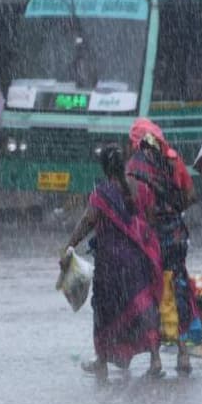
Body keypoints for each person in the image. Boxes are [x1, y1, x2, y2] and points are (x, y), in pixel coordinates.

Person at [62, 144, 163, 379]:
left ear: (105, 168)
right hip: (137, 260)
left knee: (105, 312)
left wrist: (69, 245)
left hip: (110, 265)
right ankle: (156, 359)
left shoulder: (101, 194)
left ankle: (103, 361)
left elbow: (88, 221)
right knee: (143, 307)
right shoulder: (139, 188)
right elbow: (151, 219)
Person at [125, 117, 196, 375]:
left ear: (136, 141)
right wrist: (173, 210)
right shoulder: (173, 159)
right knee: (178, 289)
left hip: (148, 240)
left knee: (150, 294)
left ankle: (155, 359)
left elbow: (134, 207)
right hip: (176, 236)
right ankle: (183, 352)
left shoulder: (133, 168)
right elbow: (191, 196)